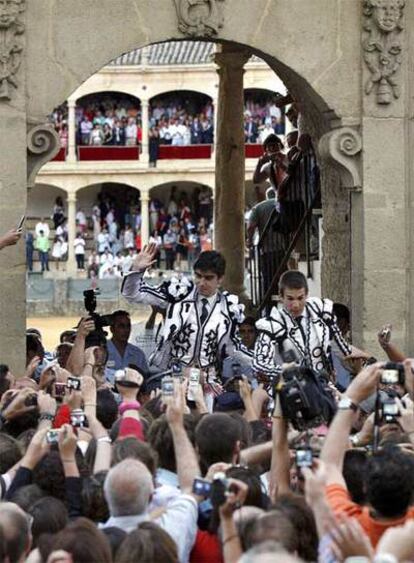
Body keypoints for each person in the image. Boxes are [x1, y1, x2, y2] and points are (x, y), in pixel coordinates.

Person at [121, 245, 252, 385]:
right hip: (175, 377)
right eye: (198, 276)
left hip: (209, 382)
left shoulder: (229, 308)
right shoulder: (179, 292)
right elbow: (132, 294)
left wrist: (262, 364)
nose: (201, 283)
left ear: (220, 279)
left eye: (208, 278)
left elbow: (234, 348)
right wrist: (136, 270)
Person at [253, 270, 352, 379]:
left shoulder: (322, 313)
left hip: (322, 387)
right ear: (281, 297)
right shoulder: (271, 324)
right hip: (289, 389)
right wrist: (286, 371)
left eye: (300, 298)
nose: (296, 305)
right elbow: (259, 364)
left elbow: (342, 349)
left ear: (306, 295)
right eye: (290, 298)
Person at [104, 310, 149, 384]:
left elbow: (146, 380)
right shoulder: (102, 351)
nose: (126, 330)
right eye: (121, 326)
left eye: (128, 326)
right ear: (112, 329)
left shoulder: (138, 354)